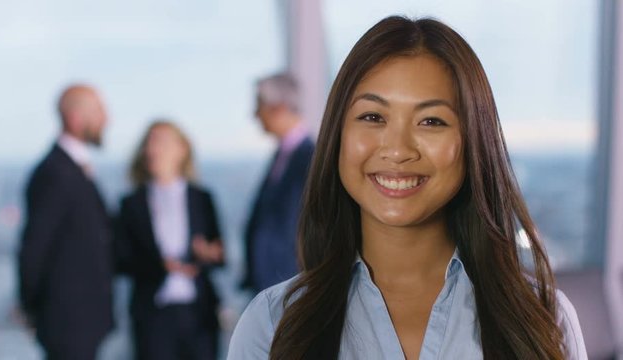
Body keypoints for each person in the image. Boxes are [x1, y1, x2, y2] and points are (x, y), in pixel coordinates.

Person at [228, 16, 587, 359]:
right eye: (373, 117)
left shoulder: (543, 320)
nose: (398, 150)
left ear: (473, 141)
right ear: (338, 134)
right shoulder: (272, 324)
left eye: (431, 121)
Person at [18, 84, 114, 359]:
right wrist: (32, 307)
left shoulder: (70, 169)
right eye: (99, 111)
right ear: (75, 118)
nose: (107, 119)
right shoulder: (55, 173)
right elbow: (34, 246)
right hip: (67, 320)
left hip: (77, 319)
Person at [115, 121, 224, 360]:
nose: (154, 148)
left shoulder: (202, 199)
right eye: (150, 141)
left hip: (198, 313)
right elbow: (120, 260)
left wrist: (207, 255)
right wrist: (160, 265)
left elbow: (219, 256)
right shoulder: (131, 204)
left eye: (161, 140)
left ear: (182, 149)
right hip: (153, 314)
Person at [241, 73, 315, 294]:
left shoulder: (311, 159)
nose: (255, 115)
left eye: (259, 106)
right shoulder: (282, 157)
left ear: (279, 107)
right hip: (272, 288)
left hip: (292, 288)